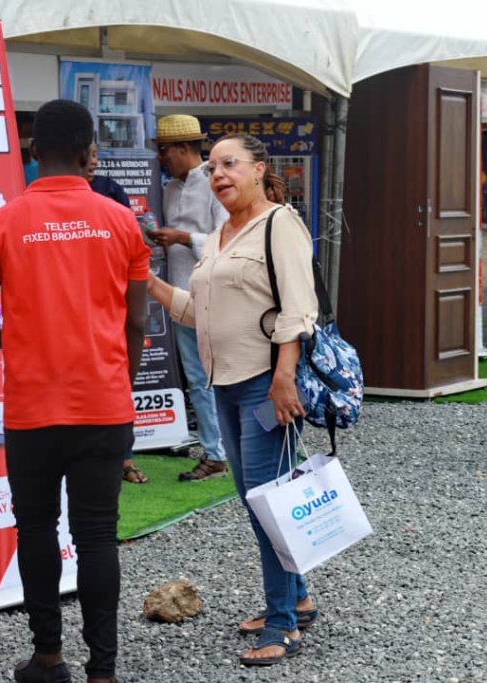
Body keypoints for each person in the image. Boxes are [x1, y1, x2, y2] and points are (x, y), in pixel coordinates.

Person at [0, 99, 149, 683]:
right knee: (97, 535)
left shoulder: (2, 223)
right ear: (91, 154)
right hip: (104, 404)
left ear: (33, 152)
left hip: (32, 409)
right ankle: (102, 672)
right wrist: (120, 384)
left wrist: (21, 342)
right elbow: (137, 321)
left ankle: (47, 658)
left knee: (36, 529)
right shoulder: (122, 221)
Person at [145, 134, 318, 666]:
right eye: (213, 167)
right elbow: (198, 312)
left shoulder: (279, 223)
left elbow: (299, 309)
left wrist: (284, 377)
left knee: (267, 503)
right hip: (226, 385)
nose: (218, 174)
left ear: (258, 169)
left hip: (266, 387)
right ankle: (298, 598)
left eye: (230, 164)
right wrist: (146, 282)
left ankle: (283, 625)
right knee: (256, 499)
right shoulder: (220, 234)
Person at [147, 115, 229, 481]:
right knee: (197, 377)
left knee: (224, 375)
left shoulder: (215, 183)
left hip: (215, 295)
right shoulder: (169, 190)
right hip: (179, 295)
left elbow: (227, 240)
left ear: (183, 149)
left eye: (164, 150)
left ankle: (226, 450)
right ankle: (216, 452)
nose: (161, 157)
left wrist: (182, 238)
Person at [86, 142, 148, 486]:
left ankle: (125, 457)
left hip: (112, 305)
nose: (93, 161)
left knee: (117, 389)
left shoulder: (110, 190)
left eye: (97, 154)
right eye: (88, 154)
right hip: (78, 312)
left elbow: (132, 247)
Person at [86, 143, 131, 209]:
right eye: (87, 156)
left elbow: (127, 212)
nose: (94, 161)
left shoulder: (108, 186)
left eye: (94, 155)